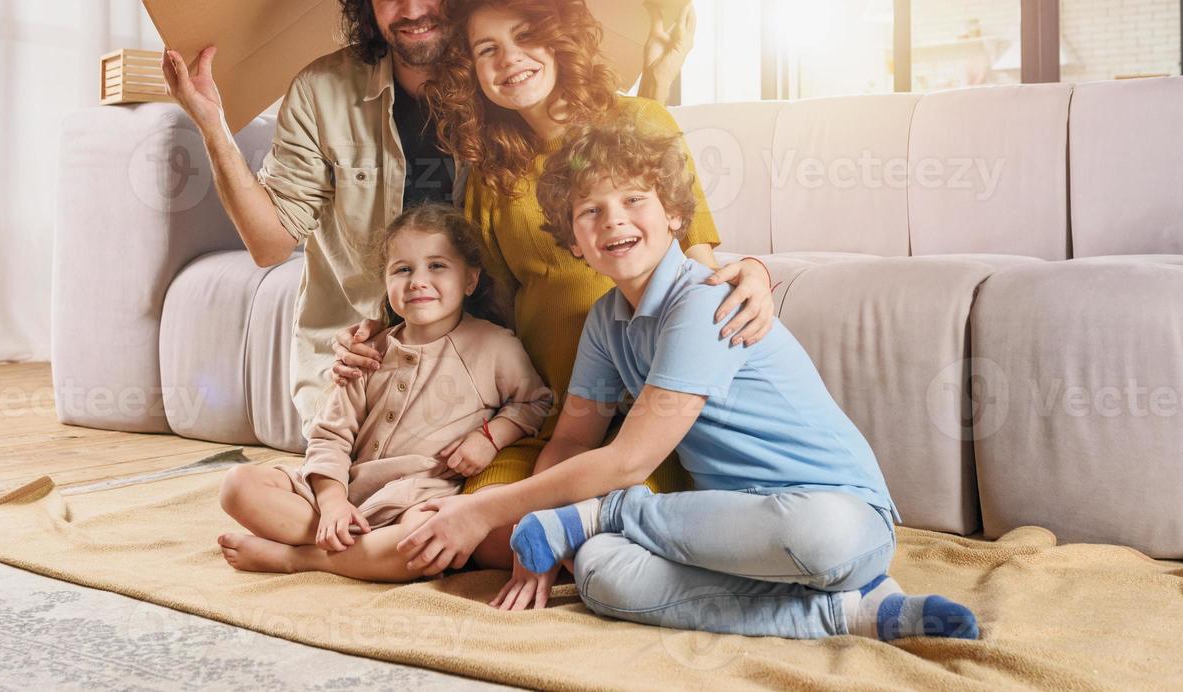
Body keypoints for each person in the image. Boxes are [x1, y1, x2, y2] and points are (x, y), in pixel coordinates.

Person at [160, 0, 732, 438]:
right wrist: (213, 125)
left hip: (476, 356)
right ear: (368, 1)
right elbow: (267, 247)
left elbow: (610, 159)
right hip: (358, 357)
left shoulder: (502, 95)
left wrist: (657, 84)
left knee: (449, 501)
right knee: (361, 490)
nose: (412, 10)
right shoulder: (321, 91)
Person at [393, 118, 981, 642]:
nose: (613, 219)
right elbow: (572, 440)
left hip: (837, 519)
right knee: (600, 572)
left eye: (633, 200)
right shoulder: (606, 320)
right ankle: (848, 615)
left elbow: (628, 460)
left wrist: (487, 512)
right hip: (720, 528)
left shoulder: (703, 302)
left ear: (675, 214)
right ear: (573, 240)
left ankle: (604, 515)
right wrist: (531, 530)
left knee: (823, 539)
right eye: (590, 210)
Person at [331, 0, 776, 575]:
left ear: (559, 40)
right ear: (471, 72)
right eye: (487, 50)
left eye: (526, 36)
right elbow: (480, 303)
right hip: (548, 415)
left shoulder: (642, 123)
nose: (509, 60)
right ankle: (315, 554)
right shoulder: (489, 172)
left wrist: (753, 271)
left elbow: (695, 259)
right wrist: (384, 335)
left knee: (594, 546)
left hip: (643, 416)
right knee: (471, 534)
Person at [216, 203, 552, 583]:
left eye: (437, 266)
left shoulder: (493, 346)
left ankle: (300, 559)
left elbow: (536, 402)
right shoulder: (367, 352)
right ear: (386, 282)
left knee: (423, 541)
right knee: (237, 486)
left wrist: (490, 438)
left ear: (470, 280)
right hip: (346, 491)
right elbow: (330, 437)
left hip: (416, 499)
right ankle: (357, 547)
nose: (418, 281)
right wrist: (332, 503)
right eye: (403, 269)